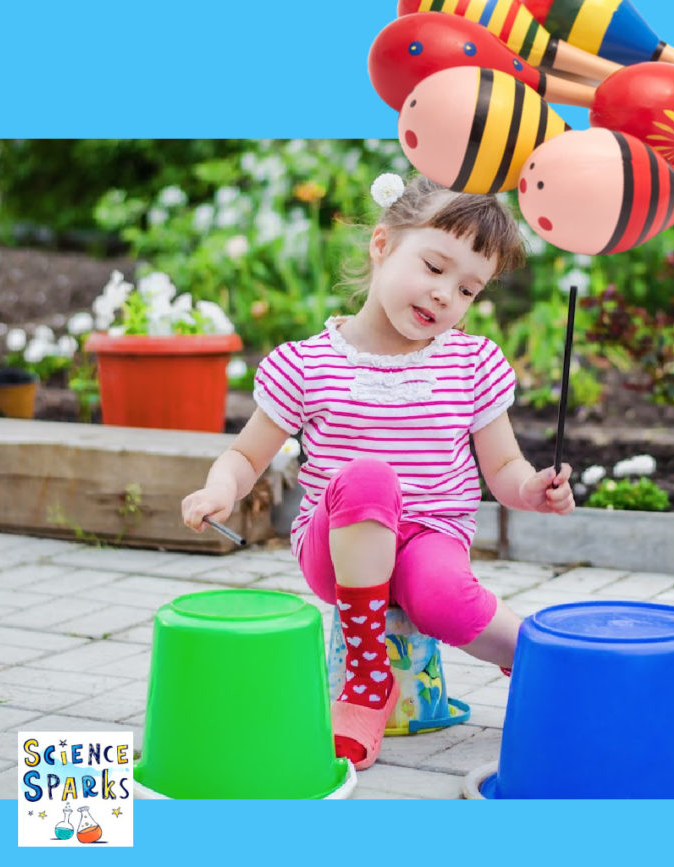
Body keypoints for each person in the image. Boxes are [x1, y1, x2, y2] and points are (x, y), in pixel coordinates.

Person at [182, 172, 575, 771]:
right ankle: (367, 680)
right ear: (383, 244)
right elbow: (246, 455)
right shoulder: (307, 364)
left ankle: (546, 660)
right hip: (337, 544)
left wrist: (532, 489)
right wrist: (218, 489)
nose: (447, 296)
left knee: (445, 595)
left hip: (429, 537)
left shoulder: (471, 362)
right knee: (367, 477)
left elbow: (501, 465)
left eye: (470, 288)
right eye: (435, 267)